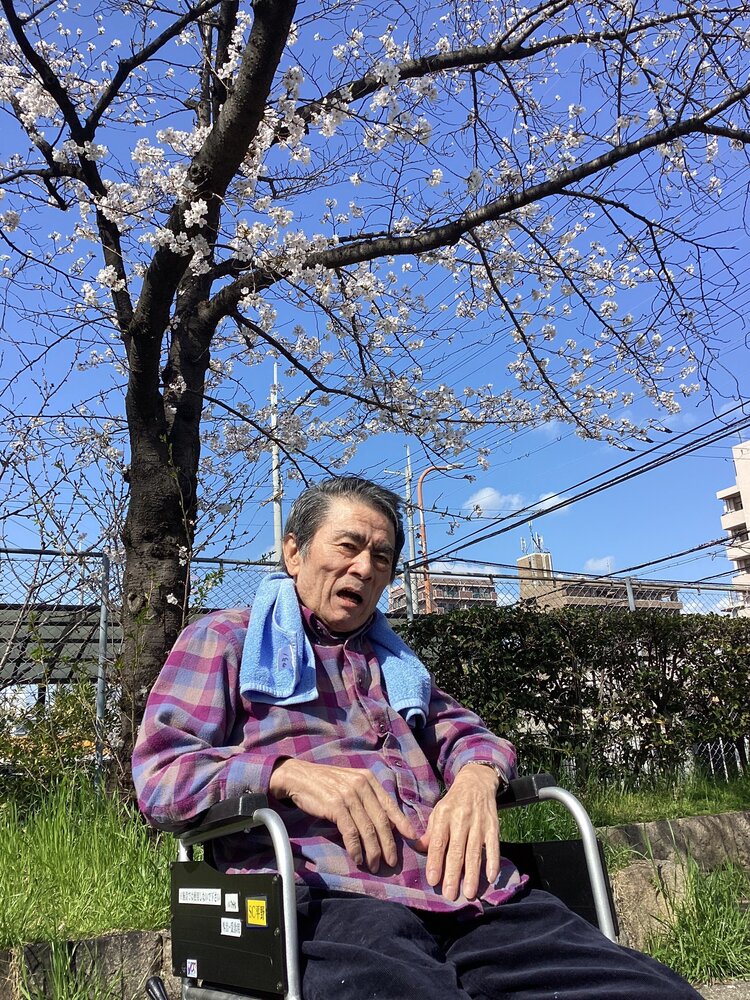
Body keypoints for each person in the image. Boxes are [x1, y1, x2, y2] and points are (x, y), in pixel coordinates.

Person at [133, 476, 701, 1000]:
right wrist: (286, 774)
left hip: (471, 893)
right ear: (294, 552)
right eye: (348, 546)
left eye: (381, 557)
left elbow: (469, 735)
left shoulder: (397, 667)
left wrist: (476, 779)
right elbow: (161, 777)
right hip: (327, 900)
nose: (364, 568)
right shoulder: (226, 640)